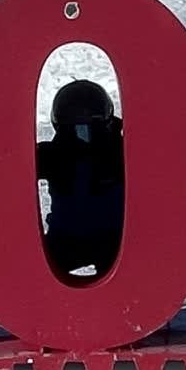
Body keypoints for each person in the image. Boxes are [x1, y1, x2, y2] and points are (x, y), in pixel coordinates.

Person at [36, 80, 124, 276]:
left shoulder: (121, 151)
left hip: (113, 240)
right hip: (76, 240)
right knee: (34, 270)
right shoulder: (53, 155)